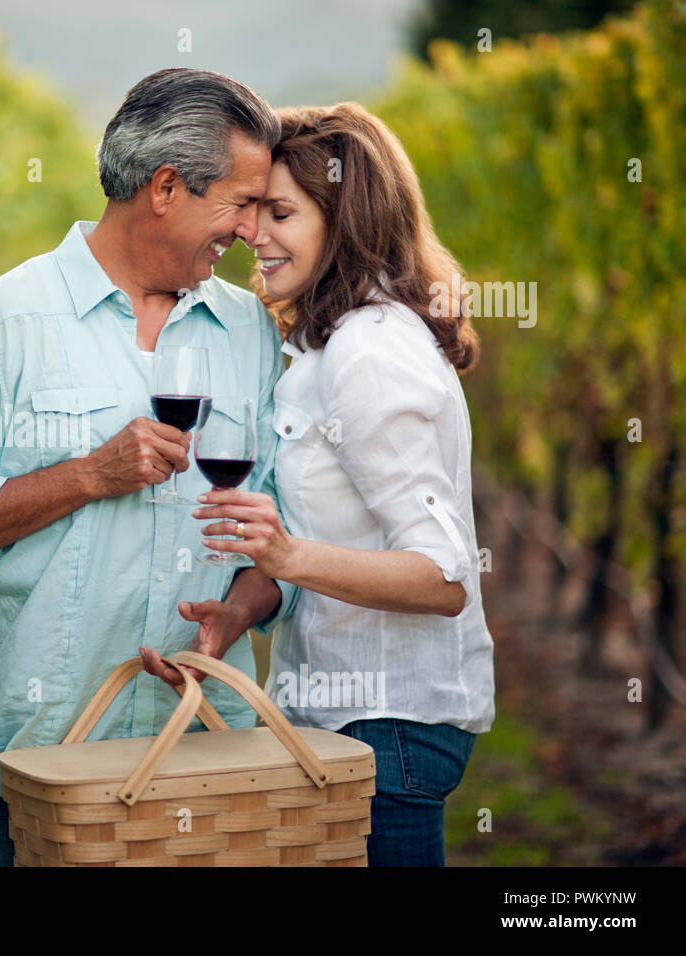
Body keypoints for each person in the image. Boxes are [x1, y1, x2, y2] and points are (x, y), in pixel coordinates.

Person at [0, 68, 298, 867]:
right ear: (167, 188)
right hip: (42, 764)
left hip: (206, 760)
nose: (250, 230)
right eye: (241, 202)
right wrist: (87, 476)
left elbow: (282, 526)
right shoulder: (4, 320)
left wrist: (237, 614)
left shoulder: (251, 331)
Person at [190, 103, 496, 866]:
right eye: (253, 211)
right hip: (353, 721)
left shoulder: (369, 352)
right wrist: (238, 612)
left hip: (384, 728)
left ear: (347, 219)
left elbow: (443, 575)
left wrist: (289, 557)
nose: (253, 235)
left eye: (281, 213)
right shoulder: (335, 344)